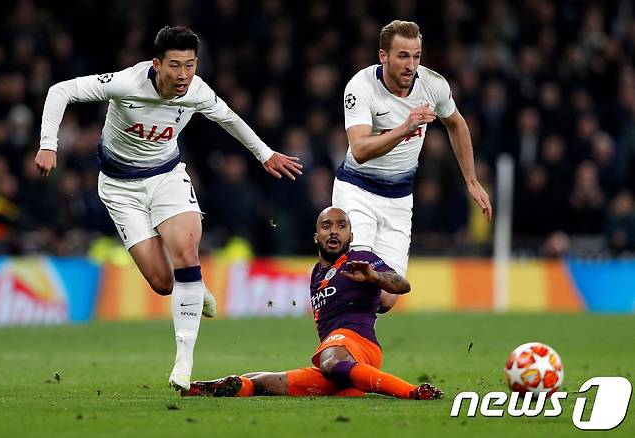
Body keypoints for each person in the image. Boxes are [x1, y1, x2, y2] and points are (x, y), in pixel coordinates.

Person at [34, 26, 302, 391]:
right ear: (157, 64)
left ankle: (183, 362)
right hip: (119, 187)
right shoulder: (127, 83)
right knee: (162, 283)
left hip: (167, 178)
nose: (183, 75)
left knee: (187, 252)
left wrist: (265, 154)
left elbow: (229, 119)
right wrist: (49, 144)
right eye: (175, 66)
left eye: (190, 65)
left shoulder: (198, 90)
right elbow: (60, 90)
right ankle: (196, 286)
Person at [181, 207, 442, 400]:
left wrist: (373, 276)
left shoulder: (361, 259)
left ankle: (413, 392)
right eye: (327, 226)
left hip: (358, 344)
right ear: (316, 236)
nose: (334, 232)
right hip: (342, 360)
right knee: (261, 382)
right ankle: (213, 387)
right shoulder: (316, 274)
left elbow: (402, 285)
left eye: (341, 226)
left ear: (350, 235)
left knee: (328, 361)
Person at [333, 20, 492, 311]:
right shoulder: (360, 86)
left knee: (386, 298)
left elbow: (456, 124)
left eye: (416, 56)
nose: (411, 65)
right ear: (384, 56)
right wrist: (404, 129)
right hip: (357, 191)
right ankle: (345, 349)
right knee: (357, 276)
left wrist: (471, 180)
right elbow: (359, 150)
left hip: (399, 199)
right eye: (403, 56)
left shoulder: (433, 86)